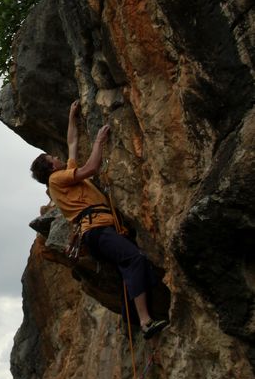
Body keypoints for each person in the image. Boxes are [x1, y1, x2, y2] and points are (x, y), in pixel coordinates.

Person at [30, 100, 168, 340]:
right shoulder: (57, 180)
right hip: (96, 230)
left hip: (100, 231)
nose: (56, 156)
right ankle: (145, 322)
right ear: (50, 167)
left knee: (131, 266)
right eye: (52, 157)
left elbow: (72, 142)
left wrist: (72, 116)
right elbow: (91, 168)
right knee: (135, 259)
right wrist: (98, 142)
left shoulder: (63, 177)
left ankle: (134, 317)